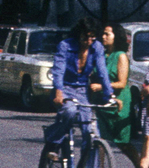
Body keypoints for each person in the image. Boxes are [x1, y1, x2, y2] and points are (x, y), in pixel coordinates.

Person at [44, 17, 112, 160]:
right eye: (85, 37)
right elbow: (59, 70)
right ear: (79, 34)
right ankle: (53, 142)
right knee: (69, 111)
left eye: (92, 37)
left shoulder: (97, 47)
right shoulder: (65, 45)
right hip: (65, 88)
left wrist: (109, 95)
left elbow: (102, 71)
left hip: (82, 90)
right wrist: (58, 92)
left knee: (91, 132)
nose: (88, 41)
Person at [94, 22, 147, 168]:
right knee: (100, 141)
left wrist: (101, 86)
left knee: (123, 144)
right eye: (102, 34)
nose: (103, 37)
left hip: (118, 103)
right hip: (103, 103)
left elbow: (121, 83)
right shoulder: (102, 54)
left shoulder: (120, 56)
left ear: (116, 36)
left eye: (107, 34)